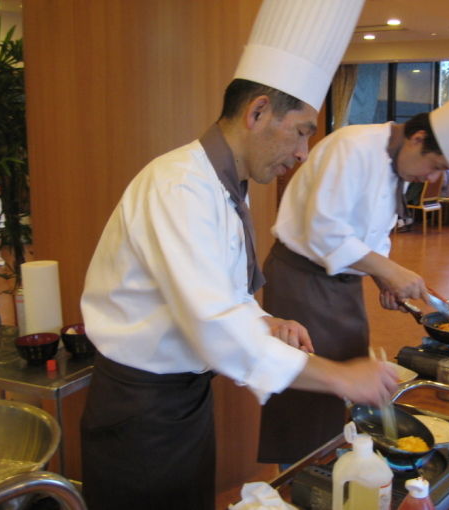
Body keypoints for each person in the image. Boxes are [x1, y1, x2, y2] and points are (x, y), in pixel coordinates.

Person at [78, 2, 398, 510]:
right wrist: (339, 374)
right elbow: (212, 324)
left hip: (185, 401)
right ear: (257, 112)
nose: (301, 154)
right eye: (300, 131)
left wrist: (265, 320)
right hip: (141, 410)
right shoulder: (180, 185)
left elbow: (218, 293)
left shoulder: (227, 185)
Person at [257, 78, 449, 465]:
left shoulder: (396, 160)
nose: (431, 179)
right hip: (302, 282)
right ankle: (298, 476)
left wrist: (380, 276)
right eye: (435, 167)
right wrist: (389, 268)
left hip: (341, 286)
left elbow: (368, 234)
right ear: (416, 138)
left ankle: (333, 460)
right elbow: (324, 230)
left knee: (348, 377)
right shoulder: (353, 147)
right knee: (307, 389)